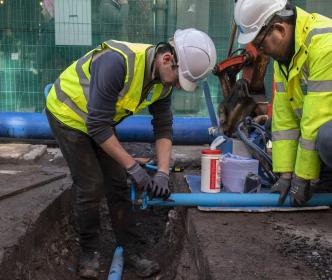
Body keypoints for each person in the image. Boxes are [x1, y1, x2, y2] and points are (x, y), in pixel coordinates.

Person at [45, 28, 216, 278]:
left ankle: (131, 250)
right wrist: (133, 167)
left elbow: (164, 127)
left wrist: (163, 173)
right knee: (91, 183)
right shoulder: (117, 62)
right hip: (67, 115)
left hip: (98, 121)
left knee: (118, 184)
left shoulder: (163, 83)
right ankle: (89, 251)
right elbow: (97, 126)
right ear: (166, 58)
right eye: (179, 79)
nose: (179, 86)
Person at [234, 0, 332, 206]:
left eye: (261, 45)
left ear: (279, 29)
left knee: (327, 138)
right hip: (320, 123)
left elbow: (317, 116)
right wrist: (286, 175)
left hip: (324, 126)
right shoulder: (286, 56)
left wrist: (303, 176)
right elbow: (284, 118)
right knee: (271, 126)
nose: (262, 52)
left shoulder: (325, 43)